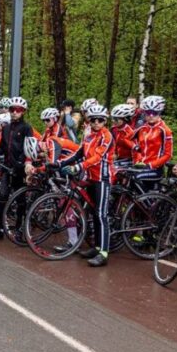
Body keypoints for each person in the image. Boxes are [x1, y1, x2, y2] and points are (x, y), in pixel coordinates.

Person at [57, 103, 114, 267]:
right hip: (90, 177)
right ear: (89, 120)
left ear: (105, 121)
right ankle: (96, 247)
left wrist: (77, 167)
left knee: (101, 214)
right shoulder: (88, 135)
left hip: (102, 178)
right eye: (93, 120)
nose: (96, 122)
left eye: (100, 120)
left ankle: (103, 253)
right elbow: (79, 153)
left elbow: (97, 157)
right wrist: (61, 163)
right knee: (93, 213)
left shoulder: (107, 136)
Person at [0, 97, 37, 242]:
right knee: (2, 197)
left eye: (19, 110)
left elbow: (29, 149)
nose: (15, 113)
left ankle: (19, 229)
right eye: (12, 110)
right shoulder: (6, 128)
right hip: (7, 167)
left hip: (20, 168)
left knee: (20, 200)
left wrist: (22, 163)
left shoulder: (27, 128)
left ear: (23, 112)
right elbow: (3, 148)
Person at [130, 95, 172, 186]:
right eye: (148, 113)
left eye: (155, 112)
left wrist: (151, 165)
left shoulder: (165, 130)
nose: (151, 115)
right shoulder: (142, 128)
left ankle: (145, 200)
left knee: (134, 178)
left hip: (155, 169)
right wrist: (138, 160)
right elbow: (137, 147)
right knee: (125, 175)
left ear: (159, 113)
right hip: (142, 166)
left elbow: (168, 155)